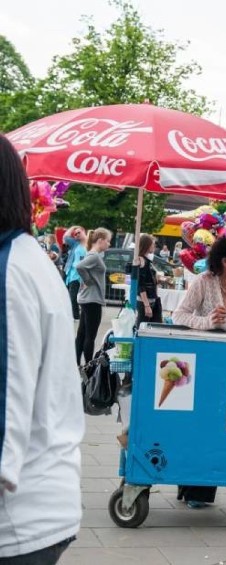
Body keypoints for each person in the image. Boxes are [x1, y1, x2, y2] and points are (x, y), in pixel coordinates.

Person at [0, 133, 83, 563]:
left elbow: (5, 404)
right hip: (41, 505)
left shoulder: (8, 270)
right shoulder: (24, 256)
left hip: (17, 521)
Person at [172, 235, 226, 508]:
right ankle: (194, 488)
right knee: (204, 422)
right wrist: (208, 322)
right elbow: (179, 315)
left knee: (225, 424)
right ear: (225, 261)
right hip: (206, 362)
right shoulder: (204, 281)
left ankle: (200, 487)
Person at [74, 228, 112, 365]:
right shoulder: (94, 256)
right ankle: (89, 364)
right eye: (108, 241)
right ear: (100, 240)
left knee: (82, 334)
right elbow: (79, 267)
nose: (109, 244)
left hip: (88, 298)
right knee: (90, 335)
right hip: (92, 299)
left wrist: (87, 280)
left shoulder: (93, 255)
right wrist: (88, 281)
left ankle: (77, 362)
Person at [135, 234, 163, 326]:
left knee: (154, 327)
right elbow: (140, 285)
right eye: (152, 244)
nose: (154, 246)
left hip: (152, 298)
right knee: (142, 327)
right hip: (146, 301)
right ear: (147, 245)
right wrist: (146, 305)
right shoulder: (141, 260)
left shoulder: (147, 260)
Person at [63, 226, 87, 320]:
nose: (76, 235)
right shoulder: (75, 244)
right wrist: (73, 228)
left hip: (84, 274)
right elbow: (65, 237)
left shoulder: (89, 244)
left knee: (83, 297)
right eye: (75, 234)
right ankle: (75, 316)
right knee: (72, 296)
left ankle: (79, 316)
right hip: (73, 274)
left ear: (83, 231)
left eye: (78, 232)